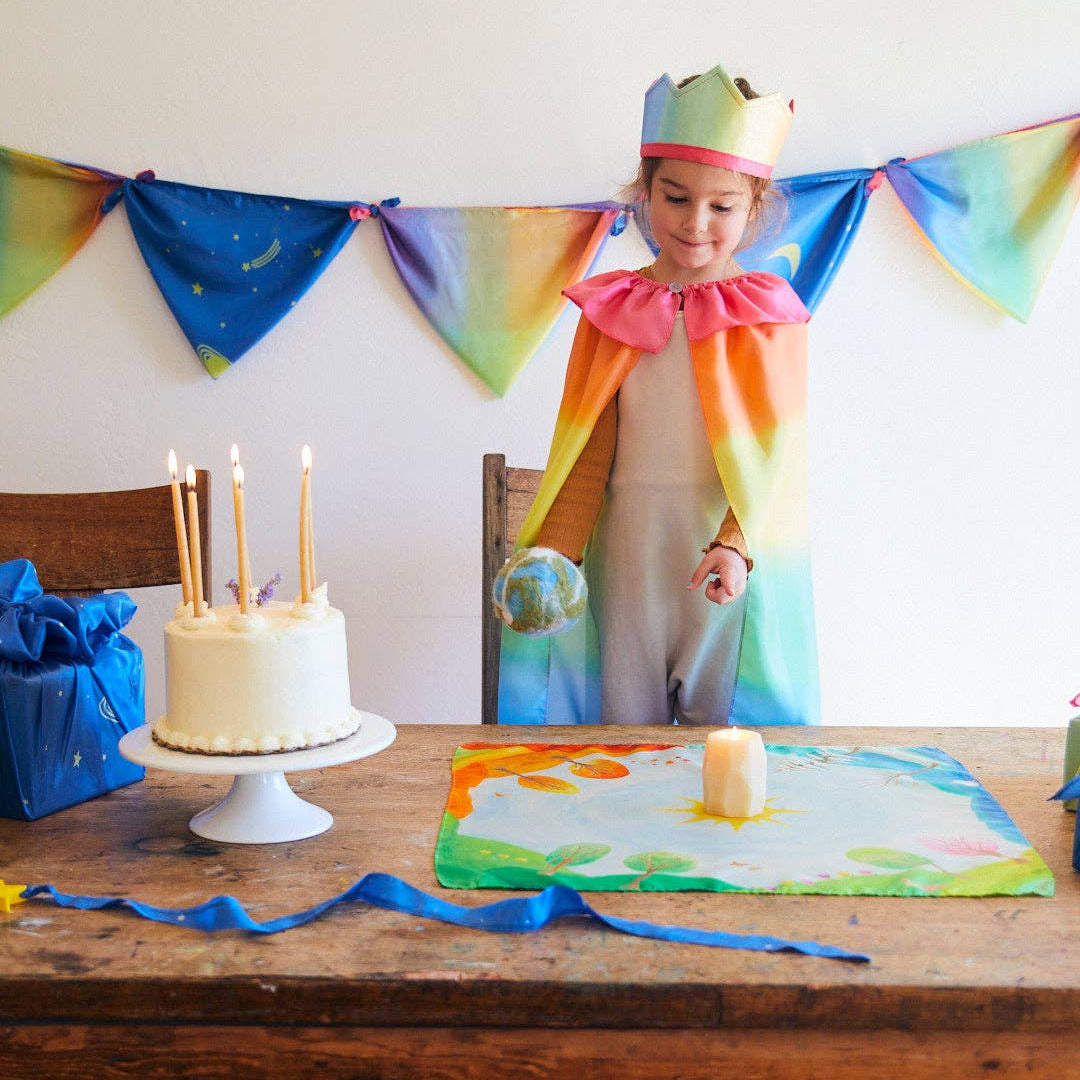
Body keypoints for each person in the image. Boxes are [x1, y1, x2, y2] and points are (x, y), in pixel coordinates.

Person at [498, 63, 819, 727]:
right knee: (624, 734)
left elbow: (773, 460)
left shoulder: (768, 315)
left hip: (721, 556)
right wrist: (556, 550)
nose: (696, 221)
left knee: (724, 736)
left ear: (753, 207)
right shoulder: (612, 305)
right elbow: (589, 447)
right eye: (676, 197)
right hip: (629, 554)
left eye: (722, 206)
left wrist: (737, 542)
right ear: (645, 190)